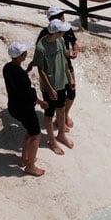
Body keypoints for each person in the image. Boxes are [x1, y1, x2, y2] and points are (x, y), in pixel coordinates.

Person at [3, 41, 47, 177]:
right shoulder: (19, 74)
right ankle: (30, 166)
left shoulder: (7, 68)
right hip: (24, 108)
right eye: (24, 53)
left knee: (30, 131)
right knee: (36, 134)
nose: (27, 54)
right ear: (20, 56)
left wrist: (25, 72)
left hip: (14, 106)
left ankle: (24, 159)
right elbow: (27, 93)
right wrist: (40, 102)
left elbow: (17, 83)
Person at [32, 18, 75, 154]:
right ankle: (52, 141)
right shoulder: (41, 47)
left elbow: (64, 61)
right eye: (62, 31)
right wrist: (50, 89)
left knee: (61, 109)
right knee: (49, 114)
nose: (64, 33)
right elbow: (41, 70)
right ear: (56, 33)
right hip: (49, 85)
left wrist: (70, 78)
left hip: (61, 81)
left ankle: (61, 134)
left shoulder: (60, 41)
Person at [33, 7, 79, 128]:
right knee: (55, 101)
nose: (63, 17)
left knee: (71, 93)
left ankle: (64, 115)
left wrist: (75, 51)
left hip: (65, 65)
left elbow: (74, 43)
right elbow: (39, 57)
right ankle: (59, 118)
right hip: (53, 71)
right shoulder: (45, 36)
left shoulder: (66, 29)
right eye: (61, 15)